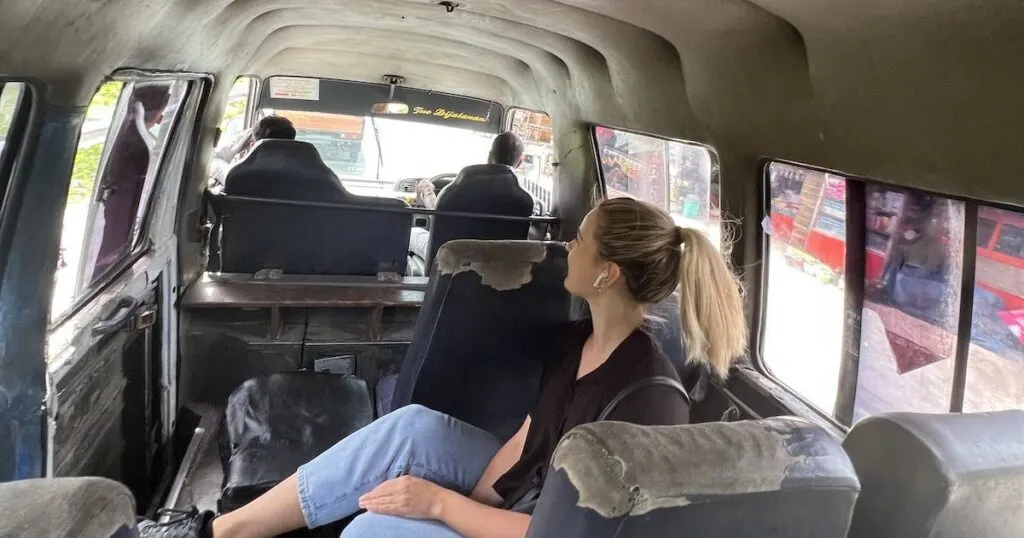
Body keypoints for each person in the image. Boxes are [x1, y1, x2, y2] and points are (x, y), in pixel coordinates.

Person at [140, 197, 747, 538]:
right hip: (529, 502)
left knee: (370, 533)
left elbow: (572, 532)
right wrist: (476, 490)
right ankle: (216, 533)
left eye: (581, 238)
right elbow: (531, 435)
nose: (568, 245)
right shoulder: (576, 339)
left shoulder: (649, 398)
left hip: (550, 531)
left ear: (607, 271)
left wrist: (440, 505)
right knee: (412, 427)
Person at [209, 115, 296, 184]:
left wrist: (238, 145)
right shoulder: (303, 177)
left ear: (253, 145)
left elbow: (212, 160)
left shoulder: (238, 175)